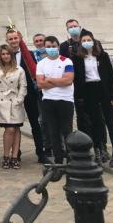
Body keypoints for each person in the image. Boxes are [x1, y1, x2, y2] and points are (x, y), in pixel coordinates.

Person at [72, 30, 113, 167]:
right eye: (84, 41)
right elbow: (77, 80)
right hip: (89, 91)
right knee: (95, 122)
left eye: (89, 40)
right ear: (80, 43)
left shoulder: (102, 56)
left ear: (93, 41)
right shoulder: (77, 58)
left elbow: (111, 77)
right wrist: (79, 97)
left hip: (104, 90)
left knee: (110, 122)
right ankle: (98, 150)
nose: (87, 42)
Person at [6, 29, 46, 163]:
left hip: (29, 93)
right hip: (12, 94)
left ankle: (41, 152)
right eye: (10, 39)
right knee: (14, 124)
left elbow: (34, 70)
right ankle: (16, 152)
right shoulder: (4, 55)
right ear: (7, 41)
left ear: (20, 39)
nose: (13, 41)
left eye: (15, 38)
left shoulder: (29, 54)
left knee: (35, 123)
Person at [0, 45, 27, 170]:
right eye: (3, 54)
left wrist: (19, 99)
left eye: (8, 54)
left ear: (11, 55)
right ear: (0, 55)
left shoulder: (19, 69)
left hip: (16, 102)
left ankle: (14, 157)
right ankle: (6, 156)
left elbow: (23, 86)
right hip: (2, 102)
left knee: (16, 129)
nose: (5, 56)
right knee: (9, 129)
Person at [36, 36, 74, 164]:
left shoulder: (66, 61)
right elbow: (40, 84)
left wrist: (50, 80)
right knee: (53, 131)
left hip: (65, 100)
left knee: (67, 130)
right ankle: (58, 159)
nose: (51, 49)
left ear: (58, 46)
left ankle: (70, 158)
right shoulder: (41, 64)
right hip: (48, 100)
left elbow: (68, 80)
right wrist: (59, 81)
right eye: (48, 46)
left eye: (53, 46)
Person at [32, 33, 52, 158]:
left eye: (41, 40)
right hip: (39, 92)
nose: (39, 43)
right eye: (37, 41)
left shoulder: (52, 54)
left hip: (52, 90)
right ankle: (47, 147)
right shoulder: (32, 55)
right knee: (43, 120)